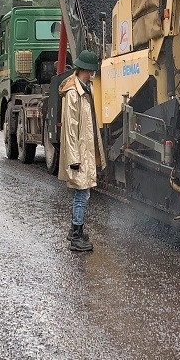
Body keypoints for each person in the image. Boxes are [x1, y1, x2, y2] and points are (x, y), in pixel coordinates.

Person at [58, 49, 105, 252]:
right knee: (82, 193)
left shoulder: (85, 88)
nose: (93, 74)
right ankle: (76, 235)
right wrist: (74, 159)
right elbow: (70, 128)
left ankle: (75, 230)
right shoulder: (73, 93)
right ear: (87, 70)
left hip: (85, 150)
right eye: (92, 70)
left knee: (84, 192)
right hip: (78, 153)